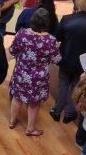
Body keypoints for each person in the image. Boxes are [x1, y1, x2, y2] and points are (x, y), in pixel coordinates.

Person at [9, 8, 62, 137]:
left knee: (16, 97)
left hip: (20, 73)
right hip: (38, 79)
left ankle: (12, 121)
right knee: (34, 103)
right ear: (47, 23)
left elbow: (12, 51)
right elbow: (57, 59)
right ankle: (30, 128)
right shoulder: (50, 40)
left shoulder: (21, 34)